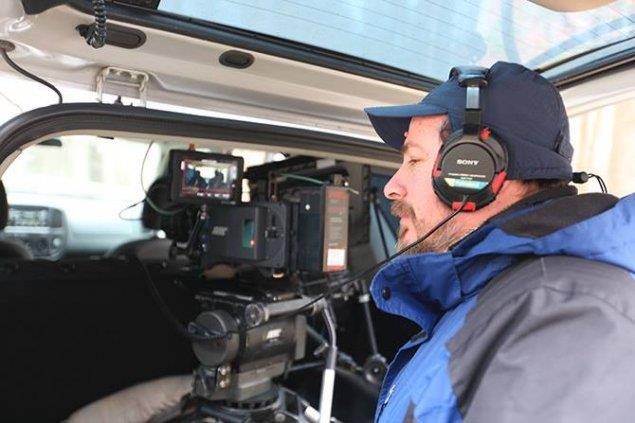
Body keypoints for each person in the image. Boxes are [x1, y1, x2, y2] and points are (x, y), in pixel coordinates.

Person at [364, 61, 635, 422]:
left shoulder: (566, 315)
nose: (391, 187)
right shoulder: (497, 293)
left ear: (474, 169)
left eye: (414, 159)